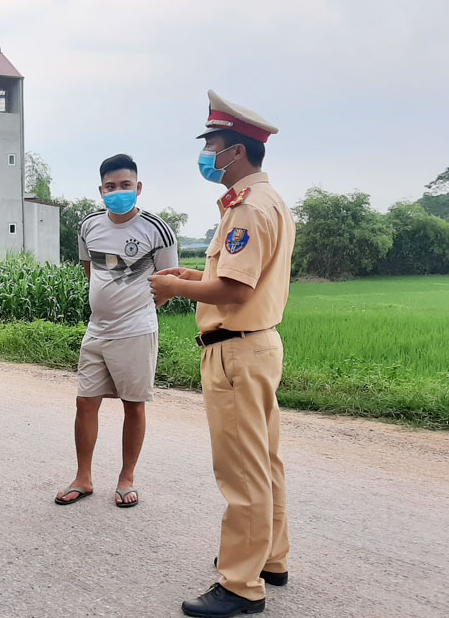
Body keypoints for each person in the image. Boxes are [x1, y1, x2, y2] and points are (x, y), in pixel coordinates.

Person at [149, 91, 295, 617]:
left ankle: (239, 583)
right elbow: (236, 280)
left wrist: (172, 288)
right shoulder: (268, 201)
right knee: (266, 460)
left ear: (235, 150)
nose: (206, 154)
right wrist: (194, 276)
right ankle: (269, 558)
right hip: (257, 347)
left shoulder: (248, 209)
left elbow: (233, 293)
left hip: (235, 351)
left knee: (241, 469)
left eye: (211, 144)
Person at [55, 154, 178, 508]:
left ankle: (126, 478)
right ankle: (83, 477)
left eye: (125, 185)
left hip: (137, 330)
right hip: (97, 330)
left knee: (133, 405)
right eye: (111, 187)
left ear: (138, 188)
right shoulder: (89, 226)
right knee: (85, 402)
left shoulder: (157, 229)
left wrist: (135, 311)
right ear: (101, 190)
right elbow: (89, 269)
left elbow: (170, 285)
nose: (118, 192)